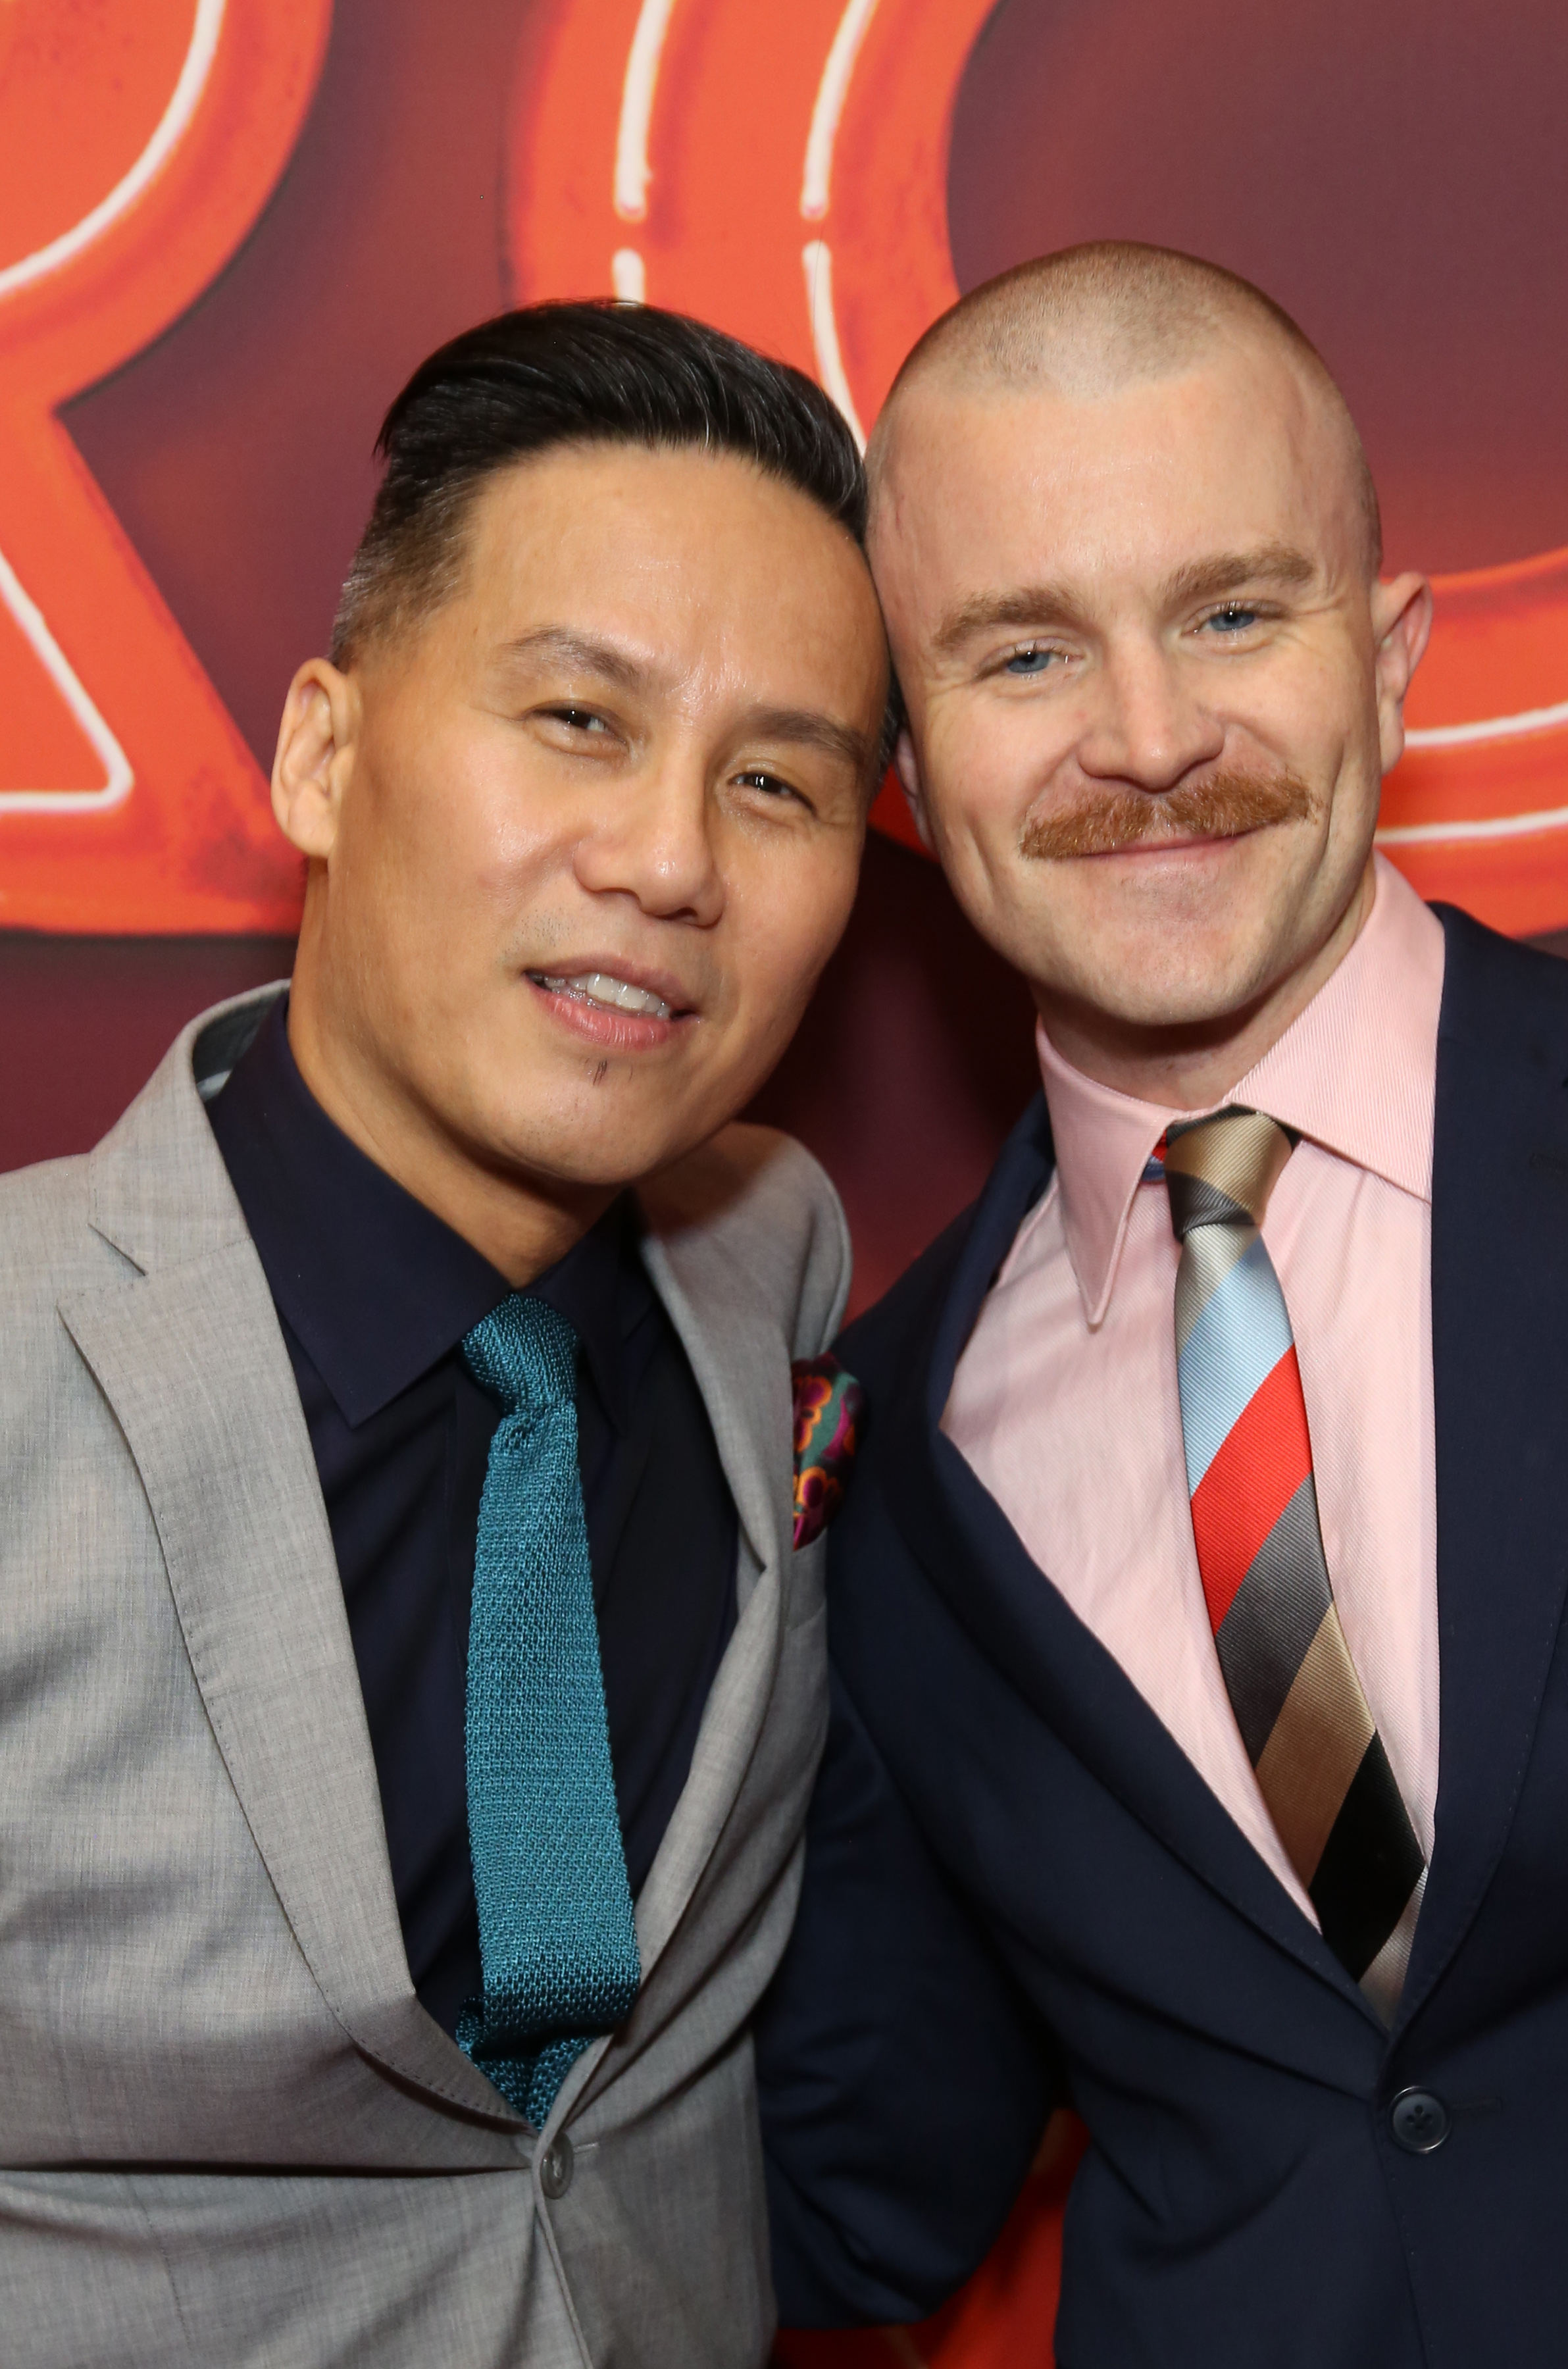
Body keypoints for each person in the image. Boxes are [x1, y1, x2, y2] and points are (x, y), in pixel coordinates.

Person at [757, 242, 1568, 2365]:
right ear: (907, 768)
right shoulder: (881, 1458)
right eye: (1025, 654)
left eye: (1236, 612)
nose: (1150, 741)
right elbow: (850, 2180)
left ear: (1397, 660)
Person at [0, 301, 889, 2369]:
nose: (668, 861)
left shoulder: (780, 1267)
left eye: (775, 782)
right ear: (324, 750)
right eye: (579, 720)